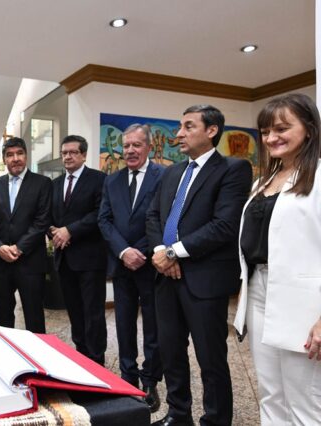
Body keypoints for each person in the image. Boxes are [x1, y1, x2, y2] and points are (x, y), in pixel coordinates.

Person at [146, 105, 252, 426]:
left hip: (205, 280)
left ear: (211, 130)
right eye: (180, 127)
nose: (179, 134)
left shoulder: (233, 169)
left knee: (210, 358)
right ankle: (178, 414)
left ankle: (216, 420)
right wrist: (161, 253)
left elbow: (224, 225)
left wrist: (174, 253)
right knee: (171, 352)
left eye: (188, 126)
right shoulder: (172, 173)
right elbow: (154, 215)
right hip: (166, 278)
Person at [233, 93, 321, 425]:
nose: (271, 138)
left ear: (309, 129)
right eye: (266, 131)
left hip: (305, 301)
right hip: (259, 291)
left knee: (305, 401)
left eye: (282, 129)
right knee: (270, 393)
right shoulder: (263, 182)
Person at [98, 124, 164, 412]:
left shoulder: (163, 176)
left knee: (153, 325)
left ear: (148, 147)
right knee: (123, 324)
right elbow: (104, 220)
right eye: (126, 146)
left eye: (136, 145)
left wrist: (141, 251)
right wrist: (124, 251)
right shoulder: (111, 181)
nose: (130, 151)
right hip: (122, 265)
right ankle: (127, 377)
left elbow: (163, 218)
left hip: (152, 265)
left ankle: (150, 380)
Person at [0, 137, 51, 333]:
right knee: (3, 316)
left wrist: (19, 248)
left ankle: (36, 351)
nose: (15, 159)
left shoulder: (42, 183)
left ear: (26, 156)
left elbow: (42, 221)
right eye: (10, 155)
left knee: (34, 316)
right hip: (0, 263)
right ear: (4, 159)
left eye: (19, 153)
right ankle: (7, 350)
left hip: (31, 262)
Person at [50, 135, 107, 365]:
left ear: (83, 155)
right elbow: (48, 217)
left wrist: (70, 231)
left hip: (90, 259)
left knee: (93, 314)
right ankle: (81, 357)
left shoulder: (99, 179)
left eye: (73, 152)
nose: (68, 157)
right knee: (74, 312)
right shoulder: (55, 184)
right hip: (64, 259)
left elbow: (99, 213)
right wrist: (54, 233)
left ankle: (96, 361)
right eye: (64, 153)